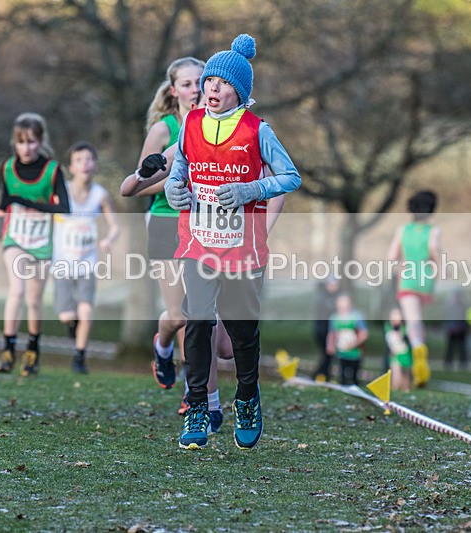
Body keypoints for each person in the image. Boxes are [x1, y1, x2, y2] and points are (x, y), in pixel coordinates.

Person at [163, 34, 301, 450]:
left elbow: (290, 177)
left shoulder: (257, 130)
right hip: (198, 241)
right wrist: (173, 188)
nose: (211, 90)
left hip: (242, 247)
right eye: (208, 82)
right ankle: (199, 407)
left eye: (220, 84)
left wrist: (248, 190)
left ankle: (246, 398)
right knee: (198, 322)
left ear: (238, 90)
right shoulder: (190, 123)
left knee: (241, 332)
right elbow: (180, 168)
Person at [130, 56, 206, 393]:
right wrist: (182, 177)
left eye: (200, 82)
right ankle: (162, 349)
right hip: (165, 222)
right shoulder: (164, 129)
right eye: (187, 84)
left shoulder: (215, 126)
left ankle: (195, 394)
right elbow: (140, 181)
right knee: (177, 316)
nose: (195, 90)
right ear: (174, 90)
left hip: (204, 225)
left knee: (198, 315)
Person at [0, 112, 70, 376]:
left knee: (35, 299)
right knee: (17, 290)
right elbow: (4, 201)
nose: (27, 148)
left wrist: (27, 203)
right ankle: (7, 350)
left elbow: (65, 207)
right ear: (14, 142)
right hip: (14, 238)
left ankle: (33, 350)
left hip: (42, 242)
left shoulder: (52, 170)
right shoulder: (7, 168)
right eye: (22, 142)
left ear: (40, 141)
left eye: (32, 142)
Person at [51, 141, 119, 373]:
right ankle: (73, 327)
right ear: (71, 167)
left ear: (96, 165)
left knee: (87, 309)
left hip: (87, 263)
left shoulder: (100, 195)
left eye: (89, 159)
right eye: (79, 160)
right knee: (66, 315)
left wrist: (109, 240)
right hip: (62, 263)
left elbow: (114, 226)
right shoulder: (62, 192)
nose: (85, 164)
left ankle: (79, 357)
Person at [386, 190, 441, 388]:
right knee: (417, 320)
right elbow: (435, 253)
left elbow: (391, 257)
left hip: (407, 279)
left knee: (411, 321)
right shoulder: (434, 231)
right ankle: (417, 357)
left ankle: (418, 353)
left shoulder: (403, 229)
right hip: (426, 279)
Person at [326, 293, 368, 386]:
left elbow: (364, 333)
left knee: (354, 375)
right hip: (341, 352)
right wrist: (330, 345)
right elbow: (332, 333)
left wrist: (353, 344)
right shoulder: (334, 317)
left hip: (356, 352)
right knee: (343, 375)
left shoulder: (357, 316)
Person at [311, 276, 341, 382]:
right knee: (327, 354)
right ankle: (319, 374)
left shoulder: (335, 297)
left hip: (329, 331)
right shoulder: (324, 297)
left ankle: (324, 374)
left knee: (328, 356)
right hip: (323, 331)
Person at [384, 307, 412, 391]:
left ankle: (405, 389)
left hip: (405, 354)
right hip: (395, 355)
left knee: (406, 376)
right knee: (396, 376)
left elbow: (408, 340)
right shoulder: (388, 326)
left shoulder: (405, 327)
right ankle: (394, 389)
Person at [443, 290, 469, 371]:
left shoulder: (464, 306)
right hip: (451, 330)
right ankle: (448, 363)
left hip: (462, 330)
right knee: (450, 348)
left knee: (462, 347)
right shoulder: (449, 306)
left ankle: (463, 364)